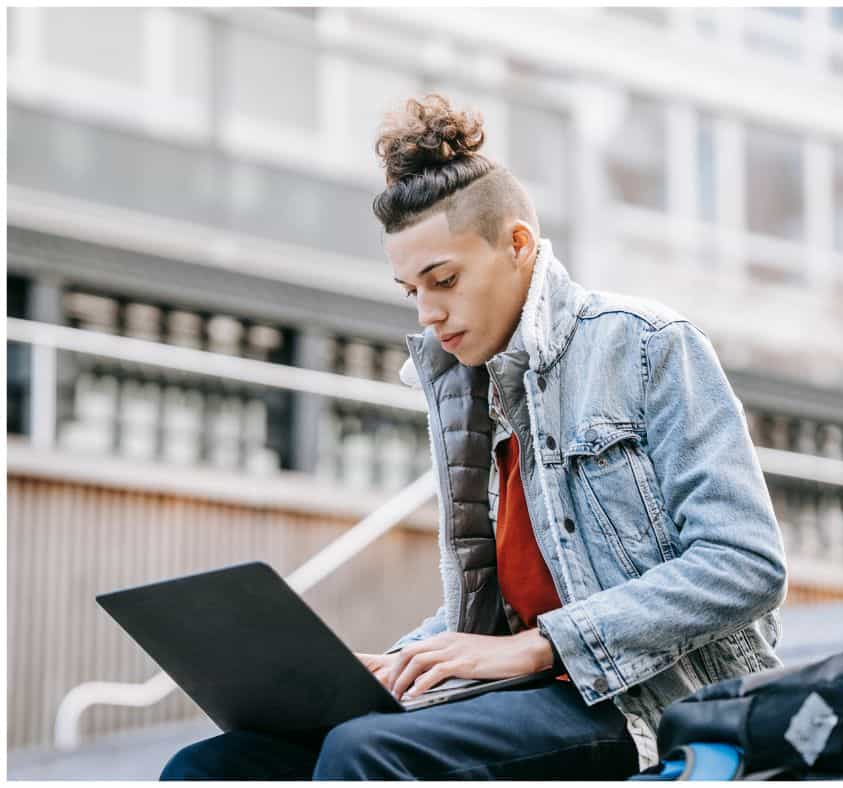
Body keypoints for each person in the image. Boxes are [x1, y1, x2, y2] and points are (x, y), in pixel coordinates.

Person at [160, 94, 787, 781]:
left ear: (518, 245)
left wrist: (544, 647)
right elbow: (499, 614)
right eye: (411, 292)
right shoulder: (469, 389)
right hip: (522, 697)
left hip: (645, 704)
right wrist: (404, 662)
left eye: (445, 280)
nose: (429, 314)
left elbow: (744, 562)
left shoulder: (644, 346)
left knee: (362, 754)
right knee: (218, 764)